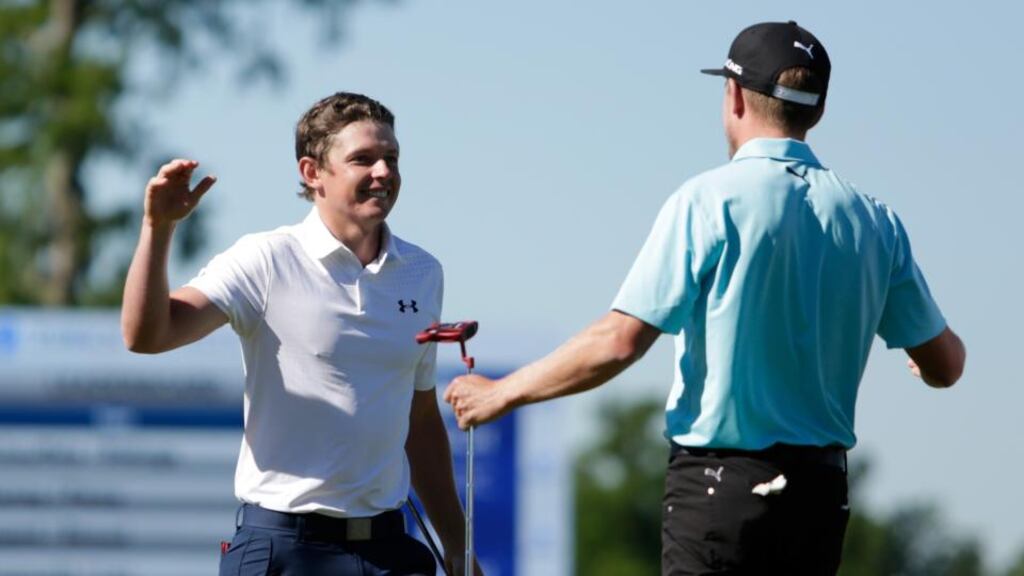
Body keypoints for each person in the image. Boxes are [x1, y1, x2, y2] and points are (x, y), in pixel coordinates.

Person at [443, 21, 966, 575]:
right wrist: (921, 358)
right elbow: (947, 364)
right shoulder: (875, 221)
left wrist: (501, 392)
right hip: (821, 496)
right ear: (817, 110)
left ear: (735, 96)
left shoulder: (708, 200)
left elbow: (620, 341)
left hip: (722, 489)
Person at [122, 92, 481, 576]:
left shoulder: (422, 272)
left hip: (390, 552)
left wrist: (458, 549)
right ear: (312, 173)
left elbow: (419, 419)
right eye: (363, 159)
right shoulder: (265, 259)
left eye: (391, 158)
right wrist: (157, 228)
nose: (383, 172)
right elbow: (148, 335)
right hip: (281, 549)